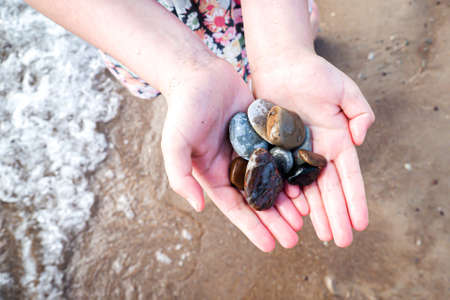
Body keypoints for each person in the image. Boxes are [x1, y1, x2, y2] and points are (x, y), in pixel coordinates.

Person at [25, 0, 375, 252]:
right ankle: (223, 75)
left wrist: (285, 48)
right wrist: (182, 70)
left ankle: (300, 46)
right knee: (204, 83)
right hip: (139, 35)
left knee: (300, 33)